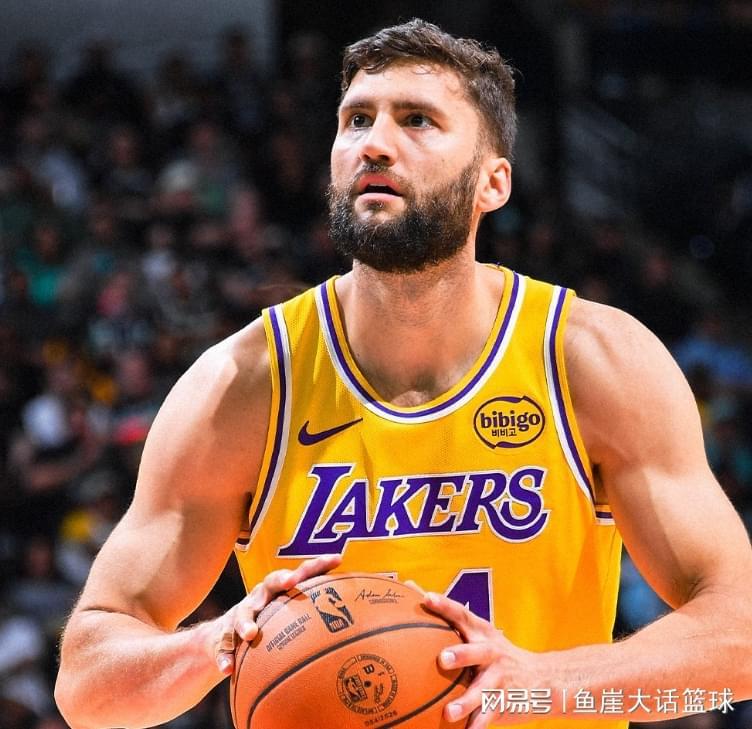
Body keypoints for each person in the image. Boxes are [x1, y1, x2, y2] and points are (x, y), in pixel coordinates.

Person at [55, 19, 752, 729]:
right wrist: (213, 644)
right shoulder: (243, 385)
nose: (374, 143)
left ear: (493, 182)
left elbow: (741, 636)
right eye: (356, 120)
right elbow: (85, 685)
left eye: (417, 120)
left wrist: (543, 681)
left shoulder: (590, 360)